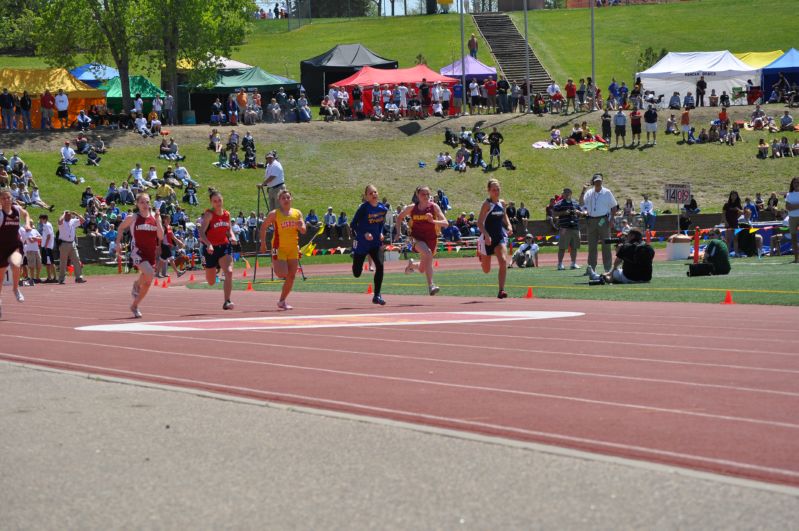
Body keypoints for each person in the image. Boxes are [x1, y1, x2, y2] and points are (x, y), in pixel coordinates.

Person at [115, 193, 164, 318]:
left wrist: (158, 221)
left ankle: (135, 305)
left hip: (150, 253)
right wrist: (118, 244)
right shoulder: (134, 217)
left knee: (148, 282)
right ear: (137, 204)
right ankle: (136, 284)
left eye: (147, 202)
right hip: (137, 251)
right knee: (149, 273)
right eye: (142, 202)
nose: (145, 205)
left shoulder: (155, 217)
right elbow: (120, 228)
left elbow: (161, 236)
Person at [258, 189, 306, 310]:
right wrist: (263, 243)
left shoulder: (297, 213)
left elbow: (304, 230)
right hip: (279, 247)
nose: (286, 200)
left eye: (288, 197)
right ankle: (275, 263)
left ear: (291, 199)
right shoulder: (275, 214)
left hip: (293, 248)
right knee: (282, 273)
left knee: (291, 276)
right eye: (283, 198)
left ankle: (282, 301)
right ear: (279, 200)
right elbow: (263, 228)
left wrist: (301, 227)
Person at [395, 185, 448, 296]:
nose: (426, 196)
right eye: (423, 194)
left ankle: (412, 265)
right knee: (428, 253)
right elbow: (399, 217)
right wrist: (398, 232)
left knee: (422, 269)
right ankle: (431, 285)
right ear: (417, 195)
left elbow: (445, 223)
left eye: (428, 194)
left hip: (431, 239)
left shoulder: (434, 207)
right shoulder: (412, 208)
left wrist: (432, 220)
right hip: (415, 238)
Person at [350, 184, 388, 305]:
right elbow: (353, 225)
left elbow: (381, 223)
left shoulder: (383, 208)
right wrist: (364, 234)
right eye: (371, 193)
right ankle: (356, 260)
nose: (374, 195)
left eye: (375, 192)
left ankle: (377, 295)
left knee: (380, 266)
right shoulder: (363, 208)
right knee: (357, 273)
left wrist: (381, 233)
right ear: (366, 196)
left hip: (375, 243)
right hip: (362, 243)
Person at [200, 188, 237, 310]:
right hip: (211, 249)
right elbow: (201, 233)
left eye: (219, 200)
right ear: (211, 202)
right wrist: (208, 244)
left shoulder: (227, 214)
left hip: (224, 246)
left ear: (223, 201)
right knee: (211, 281)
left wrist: (232, 236)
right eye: (215, 201)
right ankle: (213, 268)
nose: (218, 203)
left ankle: (227, 301)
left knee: (229, 272)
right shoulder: (209, 214)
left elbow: (229, 229)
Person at [476, 179, 512, 299]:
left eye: (498, 189)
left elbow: (504, 216)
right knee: (486, 270)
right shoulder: (487, 205)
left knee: (503, 262)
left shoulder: (502, 203)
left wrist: (509, 226)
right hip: (487, 238)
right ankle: (482, 254)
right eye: (493, 190)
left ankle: (501, 290)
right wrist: (486, 235)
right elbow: (480, 223)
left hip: (499, 238)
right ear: (489, 191)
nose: (496, 192)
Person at [0, 189, 32, 315]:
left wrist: (27, 224)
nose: (7, 200)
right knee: (1, 277)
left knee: (17, 264)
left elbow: (26, 214)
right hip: (1, 247)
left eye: (8, 197)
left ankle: (15, 289)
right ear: (0, 201)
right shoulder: (1, 214)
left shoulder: (17, 209)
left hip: (14, 245)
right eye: (3, 198)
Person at [580, 173, 618, 274]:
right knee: (592, 246)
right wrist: (583, 191)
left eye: (600, 181)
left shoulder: (607, 192)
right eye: (596, 181)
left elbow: (614, 207)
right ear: (593, 182)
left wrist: (611, 219)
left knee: (606, 245)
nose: (598, 183)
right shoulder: (589, 193)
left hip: (603, 220)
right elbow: (581, 204)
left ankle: (607, 268)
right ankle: (591, 269)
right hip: (591, 220)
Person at [588, 228, 654, 284]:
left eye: (628, 235)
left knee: (615, 272)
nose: (626, 237)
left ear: (632, 236)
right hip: (646, 278)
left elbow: (617, 262)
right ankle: (601, 276)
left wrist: (618, 251)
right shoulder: (649, 247)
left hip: (631, 278)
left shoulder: (626, 247)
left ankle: (599, 277)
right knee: (620, 271)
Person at [553, 187, 582, 270]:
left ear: (571, 193)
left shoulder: (575, 203)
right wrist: (564, 213)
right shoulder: (559, 204)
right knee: (562, 247)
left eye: (567, 192)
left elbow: (581, 213)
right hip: (564, 228)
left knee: (574, 247)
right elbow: (554, 214)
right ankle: (560, 264)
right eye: (564, 192)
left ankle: (573, 263)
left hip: (575, 227)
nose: (566, 194)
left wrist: (578, 212)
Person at [57, 210, 86, 284]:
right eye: (68, 215)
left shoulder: (73, 221)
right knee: (63, 262)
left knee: (76, 260)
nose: (69, 216)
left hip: (72, 243)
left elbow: (83, 220)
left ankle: (79, 277)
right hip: (64, 244)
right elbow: (59, 221)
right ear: (65, 216)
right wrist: (63, 213)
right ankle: (61, 279)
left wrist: (76, 214)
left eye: (70, 215)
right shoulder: (62, 222)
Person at [38, 214, 56, 283]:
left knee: (51, 262)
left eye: (41, 219)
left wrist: (45, 245)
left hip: (47, 247)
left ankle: (54, 277)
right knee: (48, 263)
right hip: (47, 246)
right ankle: (49, 277)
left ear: (44, 219)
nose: (40, 220)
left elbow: (49, 235)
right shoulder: (47, 225)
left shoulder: (47, 225)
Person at [786, 177, 799, 264]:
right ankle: (796, 259)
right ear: (792, 184)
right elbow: (788, 208)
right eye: (794, 182)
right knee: (793, 239)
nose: (796, 184)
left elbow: (791, 207)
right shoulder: (789, 194)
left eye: (797, 182)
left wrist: (793, 206)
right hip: (792, 218)